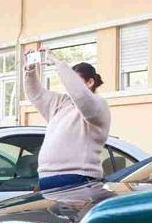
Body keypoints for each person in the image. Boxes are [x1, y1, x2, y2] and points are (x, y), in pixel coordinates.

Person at [22, 51, 110, 191]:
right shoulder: (62, 102)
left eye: (74, 80)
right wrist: (30, 70)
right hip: (47, 178)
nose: (69, 85)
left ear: (90, 82)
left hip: (78, 177)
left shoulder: (98, 105)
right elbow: (36, 94)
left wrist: (58, 64)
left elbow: (80, 94)